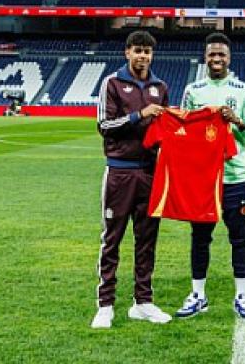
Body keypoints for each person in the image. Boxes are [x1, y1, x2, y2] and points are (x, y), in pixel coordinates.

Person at [175, 32, 245, 320]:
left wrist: (235, 120)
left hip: (236, 177)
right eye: (212, 54)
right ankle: (198, 294)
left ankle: (242, 295)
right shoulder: (192, 90)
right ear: (205, 57)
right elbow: (183, 130)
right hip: (204, 178)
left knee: (240, 237)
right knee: (200, 237)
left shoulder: (244, 90)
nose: (216, 59)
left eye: (221, 54)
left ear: (229, 58)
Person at [91, 31, 172, 329]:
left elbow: (165, 131)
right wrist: (139, 115)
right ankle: (105, 305)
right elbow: (104, 125)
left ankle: (143, 302)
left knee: (147, 240)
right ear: (127, 53)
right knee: (112, 239)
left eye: (147, 52)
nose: (143, 56)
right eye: (138, 50)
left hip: (150, 173)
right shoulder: (112, 83)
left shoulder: (160, 87)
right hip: (119, 172)